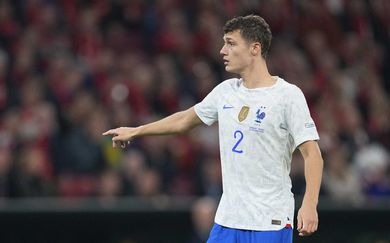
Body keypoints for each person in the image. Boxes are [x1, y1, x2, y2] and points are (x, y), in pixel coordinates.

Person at [103, 14, 324, 243]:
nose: (222, 50)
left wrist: (309, 204)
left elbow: (312, 154)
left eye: (231, 43)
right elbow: (184, 120)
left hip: (269, 219)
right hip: (228, 219)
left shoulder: (287, 95)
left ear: (254, 48)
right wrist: (137, 130)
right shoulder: (226, 91)